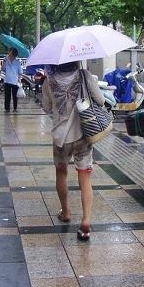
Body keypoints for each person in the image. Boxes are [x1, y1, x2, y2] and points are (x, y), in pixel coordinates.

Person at [41, 61, 105, 241]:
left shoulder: (49, 81)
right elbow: (100, 101)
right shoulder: (85, 76)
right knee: (84, 176)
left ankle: (66, 212)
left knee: (61, 172)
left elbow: (46, 107)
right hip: (83, 134)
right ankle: (85, 222)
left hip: (61, 138)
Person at [3, 47, 22, 113]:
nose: (9, 52)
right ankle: (7, 108)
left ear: (13, 53)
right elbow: (3, 69)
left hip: (15, 81)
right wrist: (4, 62)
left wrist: (19, 80)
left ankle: (15, 108)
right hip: (7, 80)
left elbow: (20, 72)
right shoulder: (6, 60)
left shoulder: (18, 62)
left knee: (15, 96)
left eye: (10, 51)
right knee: (7, 96)